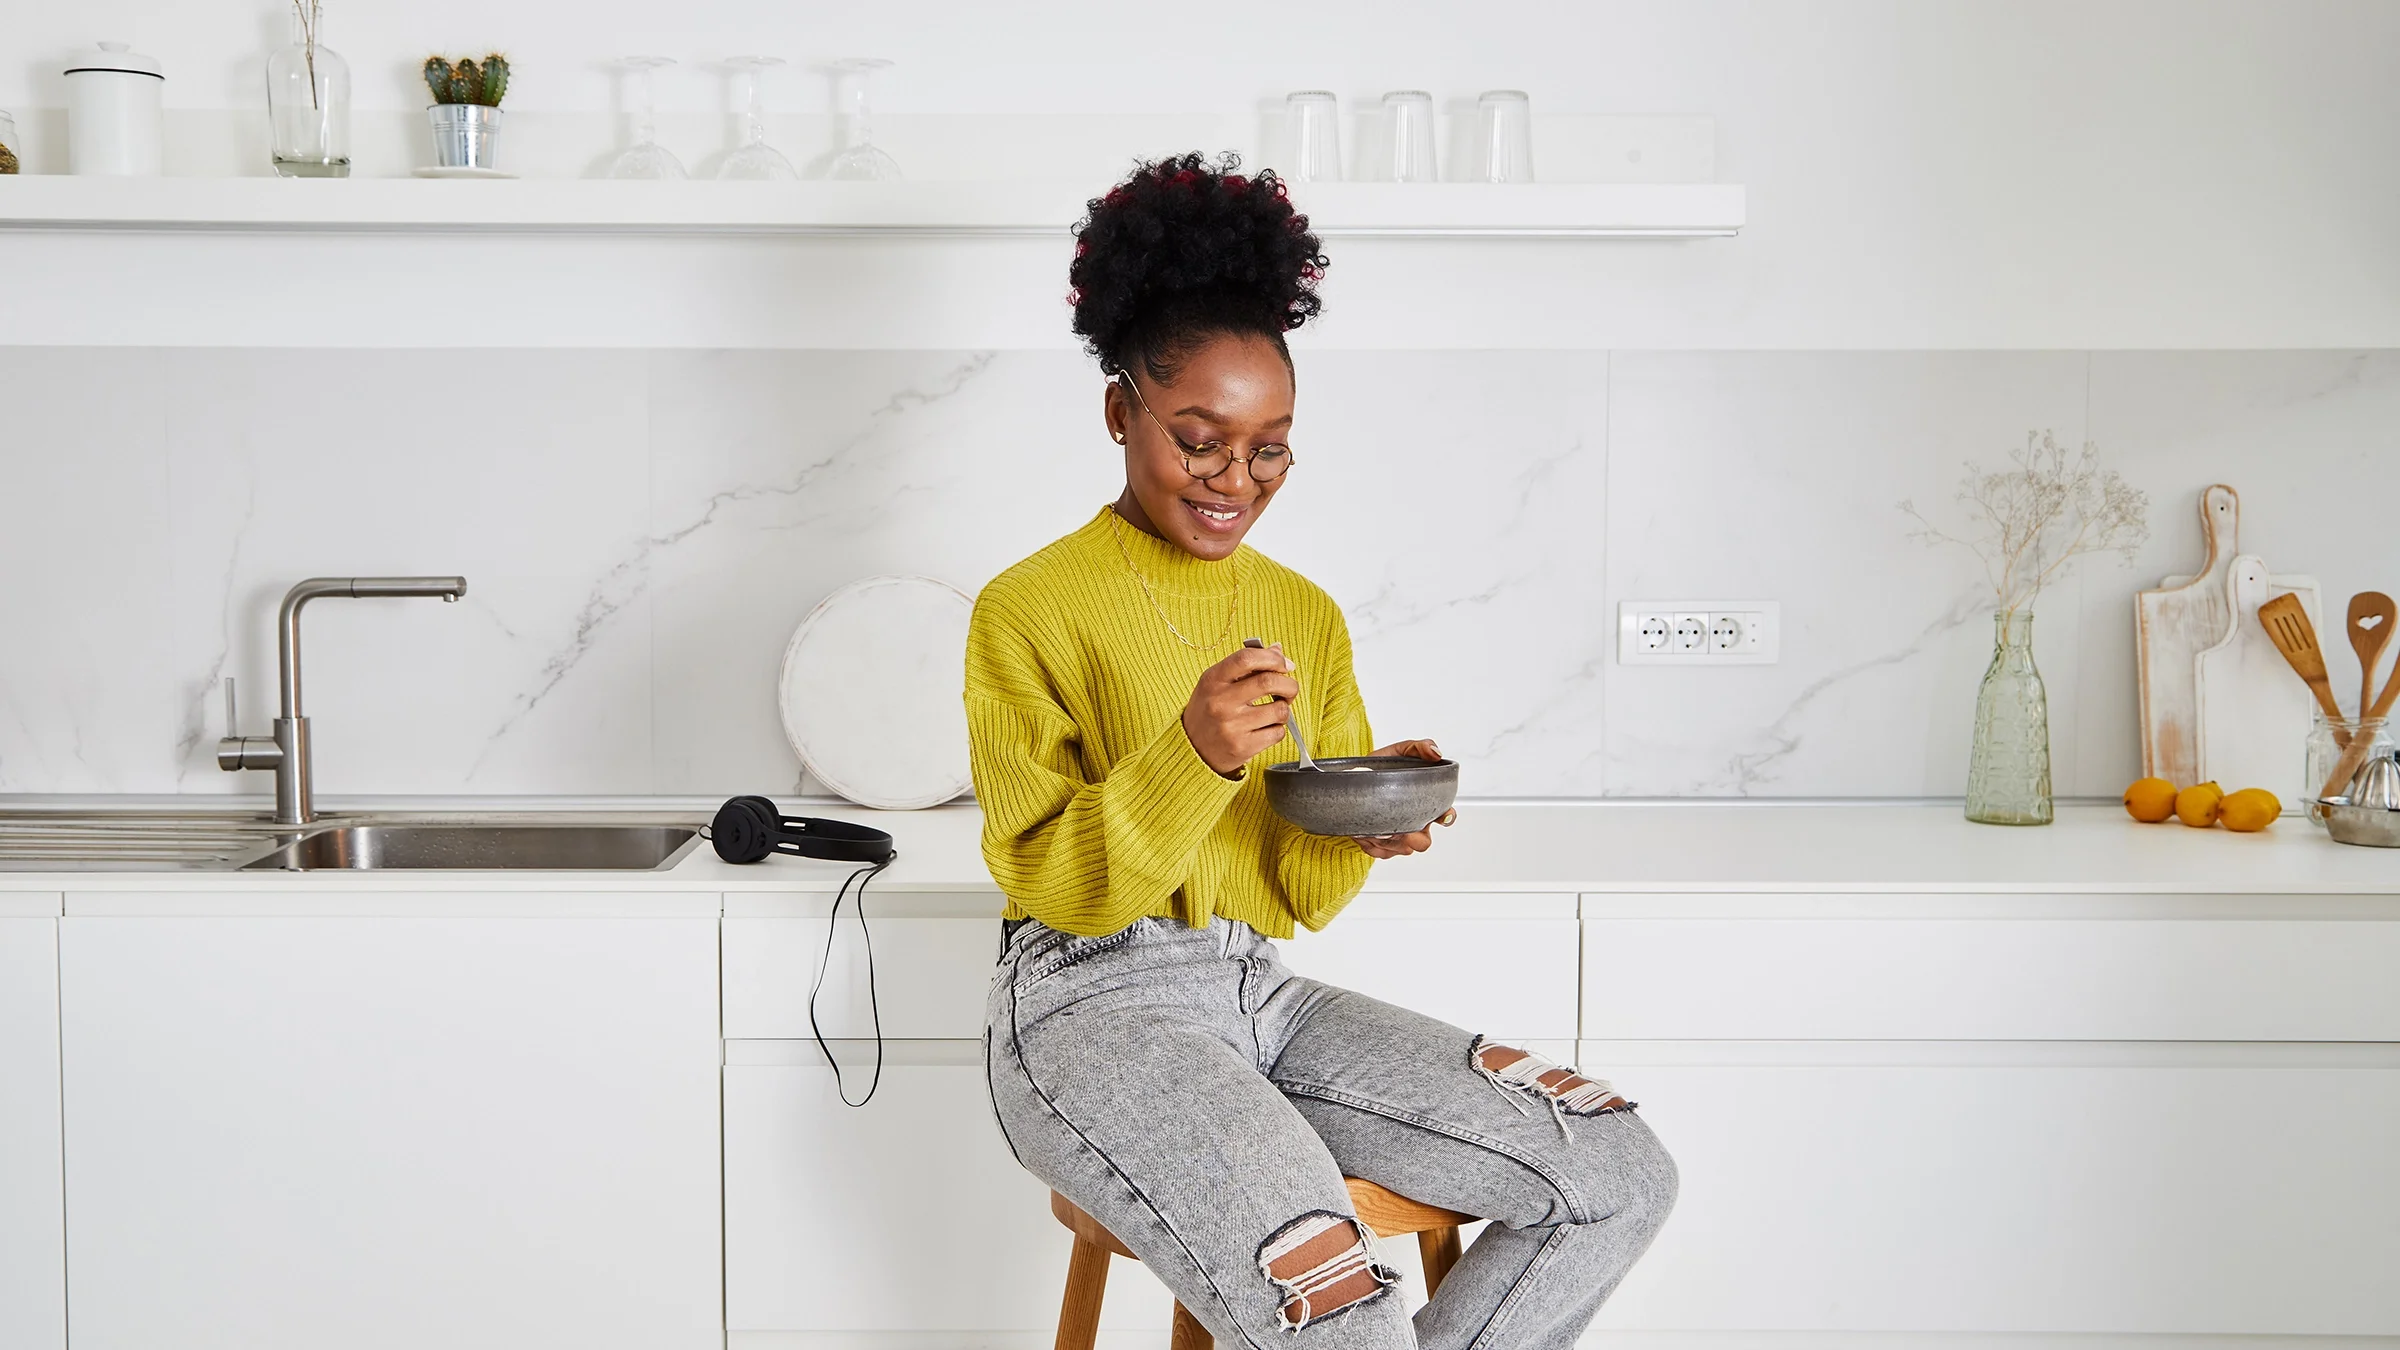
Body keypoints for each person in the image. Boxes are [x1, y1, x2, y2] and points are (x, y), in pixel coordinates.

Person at [970, 152, 1676, 1350]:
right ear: (1118, 411)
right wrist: (1192, 752)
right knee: (1332, 1300)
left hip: (1259, 991)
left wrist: (1363, 829)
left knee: (1610, 1168)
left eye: (1269, 449)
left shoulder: (1303, 613)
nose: (1234, 480)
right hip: (1087, 1010)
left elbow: (1293, 895)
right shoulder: (1029, 607)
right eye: (1200, 441)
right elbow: (1052, 883)